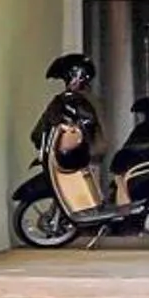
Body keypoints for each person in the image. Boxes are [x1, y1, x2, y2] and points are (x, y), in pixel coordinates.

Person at [35, 54, 107, 218]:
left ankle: (87, 217)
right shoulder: (86, 99)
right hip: (92, 147)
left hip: (82, 149)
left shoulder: (71, 100)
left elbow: (49, 122)